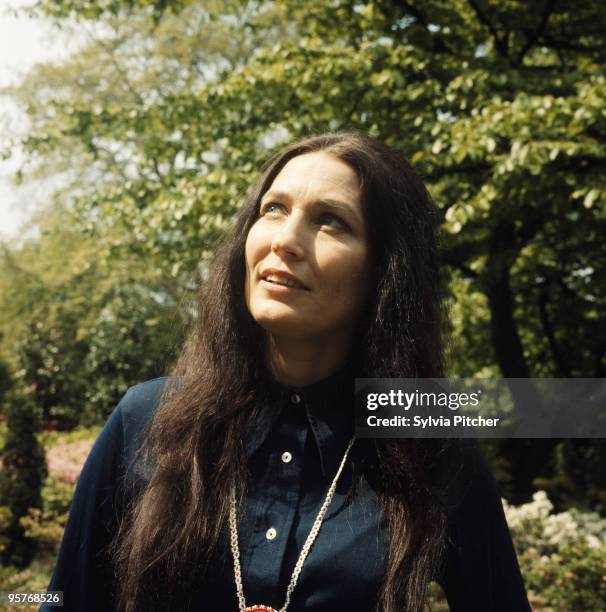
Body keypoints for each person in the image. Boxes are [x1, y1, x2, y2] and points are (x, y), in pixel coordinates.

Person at [44, 132, 531, 612]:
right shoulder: (143, 418)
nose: (285, 240)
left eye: (331, 221)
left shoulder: (432, 437)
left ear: (386, 272)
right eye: (273, 209)